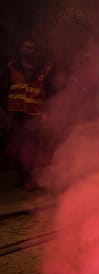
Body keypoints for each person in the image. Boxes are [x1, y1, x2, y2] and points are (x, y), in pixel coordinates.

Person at [1, 38, 54, 190]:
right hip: (16, 114)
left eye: (33, 48)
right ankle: (23, 176)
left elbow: (50, 92)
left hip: (35, 113)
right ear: (21, 49)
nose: (31, 50)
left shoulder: (45, 69)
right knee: (17, 146)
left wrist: (48, 112)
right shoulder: (11, 67)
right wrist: (4, 110)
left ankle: (30, 177)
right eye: (27, 47)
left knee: (32, 146)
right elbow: (3, 89)